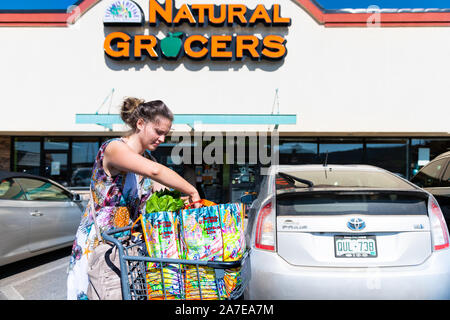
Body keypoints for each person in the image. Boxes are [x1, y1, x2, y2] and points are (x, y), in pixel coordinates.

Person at [67, 97, 201, 300]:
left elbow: (163, 196)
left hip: (127, 251)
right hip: (99, 248)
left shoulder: (148, 160)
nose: (162, 139)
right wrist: (192, 189)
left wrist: (186, 203)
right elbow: (156, 172)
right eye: (158, 132)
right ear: (140, 124)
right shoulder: (114, 149)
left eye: (166, 134)